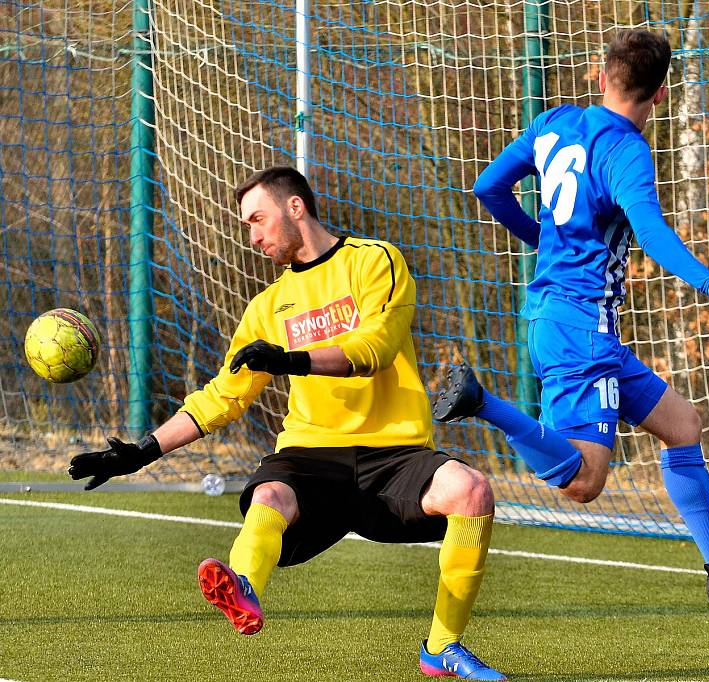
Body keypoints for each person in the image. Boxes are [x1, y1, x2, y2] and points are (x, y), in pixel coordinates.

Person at [68, 167, 506, 680]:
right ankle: (244, 587)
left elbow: (377, 348)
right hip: (312, 454)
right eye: (247, 225)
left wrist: (291, 360)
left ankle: (442, 647)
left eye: (258, 219)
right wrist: (142, 451)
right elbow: (224, 396)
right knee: (269, 495)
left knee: (472, 490)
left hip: (396, 453)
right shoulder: (268, 307)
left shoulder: (374, 260)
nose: (253, 236)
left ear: (295, 207)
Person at [433, 29, 709, 611]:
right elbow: (651, 233)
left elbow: (488, 187)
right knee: (585, 483)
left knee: (683, 425)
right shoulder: (626, 150)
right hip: (581, 331)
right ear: (659, 96)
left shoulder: (554, 122)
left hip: (575, 322)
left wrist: (542, 237)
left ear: (602, 79)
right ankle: (483, 403)